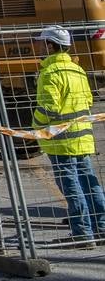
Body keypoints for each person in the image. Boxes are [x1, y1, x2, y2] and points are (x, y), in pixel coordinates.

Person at [31, 25, 105, 246]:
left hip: (61, 140)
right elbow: (89, 102)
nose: (38, 46)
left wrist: (35, 128)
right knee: (90, 182)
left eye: (41, 42)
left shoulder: (50, 73)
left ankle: (82, 233)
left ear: (50, 45)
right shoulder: (77, 70)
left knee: (70, 185)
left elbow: (49, 108)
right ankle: (101, 227)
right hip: (82, 137)